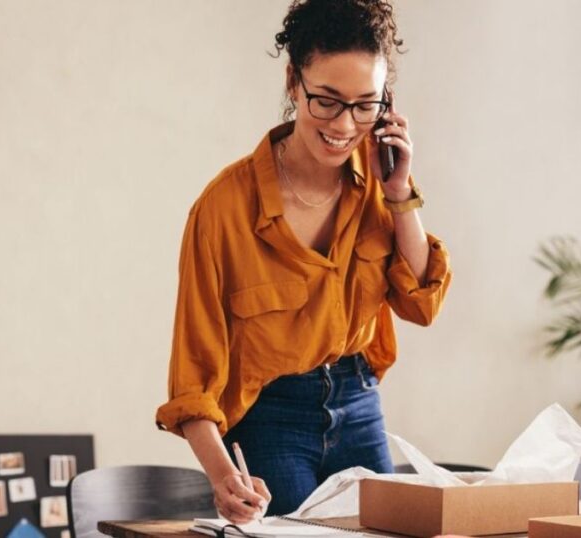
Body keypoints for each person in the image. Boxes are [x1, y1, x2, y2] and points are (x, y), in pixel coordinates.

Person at [155, 0, 452, 522]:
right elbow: (193, 379)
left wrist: (400, 190)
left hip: (359, 403)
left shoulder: (380, 183)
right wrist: (225, 477)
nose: (345, 125)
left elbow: (422, 303)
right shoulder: (224, 209)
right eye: (327, 101)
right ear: (294, 82)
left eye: (366, 104)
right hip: (271, 418)